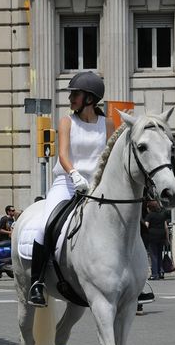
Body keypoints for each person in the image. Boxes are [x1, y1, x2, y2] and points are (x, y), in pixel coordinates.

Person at [28, 71, 115, 306]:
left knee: (123, 220)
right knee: (45, 225)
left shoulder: (107, 123)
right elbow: (63, 155)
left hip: (96, 185)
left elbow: (107, 156)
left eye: (75, 94)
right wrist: (75, 174)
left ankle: (137, 279)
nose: (70, 98)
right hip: (67, 183)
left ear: (89, 98)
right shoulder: (67, 121)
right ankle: (37, 282)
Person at [142, 200, 170, 280]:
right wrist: (167, 239)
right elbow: (166, 227)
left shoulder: (149, 216)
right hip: (161, 237)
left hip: (152, 237)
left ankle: (154, 274)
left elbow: (146, 226)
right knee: (159, 255)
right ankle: (161, 272)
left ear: (149, 208)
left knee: (153, 255)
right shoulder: (162, 215)